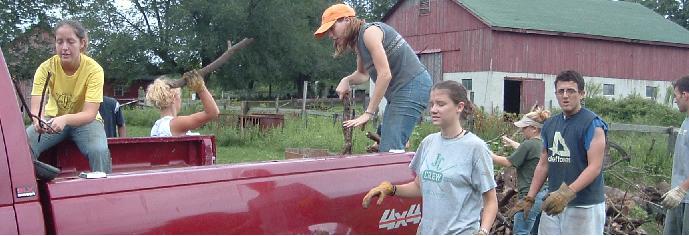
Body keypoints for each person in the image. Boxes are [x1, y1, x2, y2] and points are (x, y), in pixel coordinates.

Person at [361, 81, 497, 234]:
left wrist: (483, 231)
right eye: (432, 104)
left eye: (440, 104)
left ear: (459, 107)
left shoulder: (475, 148)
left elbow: (491, 200)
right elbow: (419, 187)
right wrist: (391, 189)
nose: (433, 109)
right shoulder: (428, 143)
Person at [314, 4, 432, 152]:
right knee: (387, 144)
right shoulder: (358, 42)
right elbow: (363, 74)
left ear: (346, 20)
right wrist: (346, 80)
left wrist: (369, 113)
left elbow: (385, 74)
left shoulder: (369, 33)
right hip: (400, 92)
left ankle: (398, 162)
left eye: (332, 29)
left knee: (391, 149)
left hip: (413, 85)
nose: (330, 35)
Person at [521, 70, 608, 234]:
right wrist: (530, 197)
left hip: (584, 206)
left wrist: (566, 194)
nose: (565, 96)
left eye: (571, 91)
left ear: (582, 94)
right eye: (561, 91)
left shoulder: (593, 124)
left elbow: (595, 167)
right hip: (553, 205)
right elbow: (543, 164)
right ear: (556, 93)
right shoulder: (550, 124)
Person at [26, 20, 111, 177]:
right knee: (23, 144)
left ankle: (105, 189)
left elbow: (90, 113)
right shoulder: (45, 68)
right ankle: (29, 188)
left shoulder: (94, 70)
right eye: (60, 42)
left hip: (86, 122)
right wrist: (38, 121)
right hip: (52, 119)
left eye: (70, 41)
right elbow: (37, 106)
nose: (64, 47)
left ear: (82, 43)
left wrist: (65, 119)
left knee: (98, 149)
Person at [491, 108, 550, 235]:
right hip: (543, 196)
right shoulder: (542, 144)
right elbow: (524, 150)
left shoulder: (528, 145)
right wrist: (511, 142)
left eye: (524, 128)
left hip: (529, 196)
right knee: (534, 232)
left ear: (534, 128)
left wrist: (487, 154)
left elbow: (508, 162)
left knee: (521, 232)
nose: (522, 131)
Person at [145, 71, 219, 137]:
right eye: (179, 96)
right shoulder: (176, 124)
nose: (180, 100)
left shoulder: (156, 127)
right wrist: (200, 88)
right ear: (173, 97)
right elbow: (212, 113)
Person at [662, 75, 689, 235]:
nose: (675, 100)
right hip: (678, 198)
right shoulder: (686, 121)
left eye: (676, 96)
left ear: (685, 95)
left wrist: (682, 190)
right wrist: (677, 191)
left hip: (683, 195)